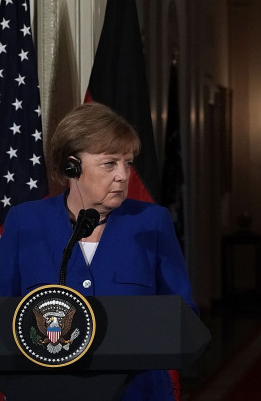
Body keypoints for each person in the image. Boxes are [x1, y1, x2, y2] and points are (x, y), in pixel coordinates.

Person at [0, 102, 197, 401]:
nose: (123, 175)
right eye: (110, 163)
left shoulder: (151, 222)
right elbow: (3, 317)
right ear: (72, 167)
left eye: (127, 163)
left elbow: (184, 315)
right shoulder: (25, 222)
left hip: (139, 393)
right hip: (49, 391)